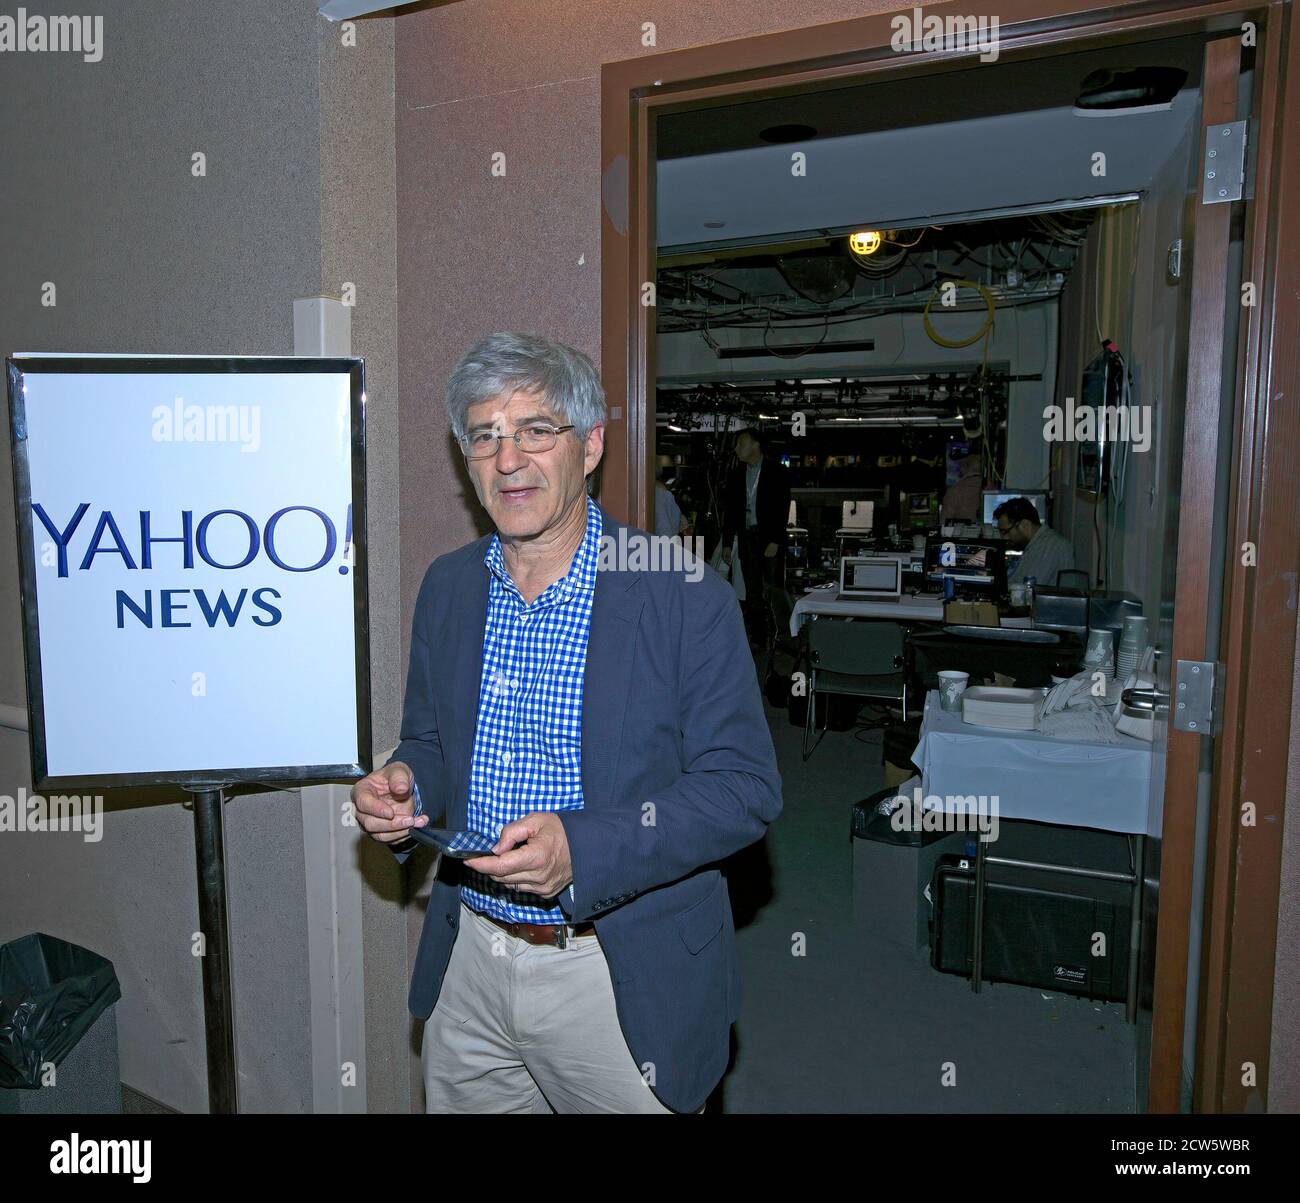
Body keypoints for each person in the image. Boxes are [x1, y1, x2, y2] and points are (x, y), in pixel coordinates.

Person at [350, 332, 782, 1114]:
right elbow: (432, 740)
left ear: (590, 446)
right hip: (471, 964)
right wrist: (408, 781)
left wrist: (584, 848)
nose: (507, 458)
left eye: (535, 431)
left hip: (615, 973)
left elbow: (744, 789)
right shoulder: (449, 588)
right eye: (485, 436)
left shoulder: (683, 594)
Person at [720, 428, 790, 644]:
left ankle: (783, 635)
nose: (736, 449)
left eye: (741, 444)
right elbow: (731, 511)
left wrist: (776, 540)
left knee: (773, 588)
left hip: (768, 537)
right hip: (746, 537)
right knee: (752, 590)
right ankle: (759, 636)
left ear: (755, 445)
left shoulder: (776, 471)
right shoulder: (736, 474)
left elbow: (782, 507)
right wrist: (727, 543)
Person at [994, 496, 1076, 587]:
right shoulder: (1037, 543)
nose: (1004, 538)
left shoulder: (1048, 546)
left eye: (1005, 531)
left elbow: (1024, 589)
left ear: (1024, 525)